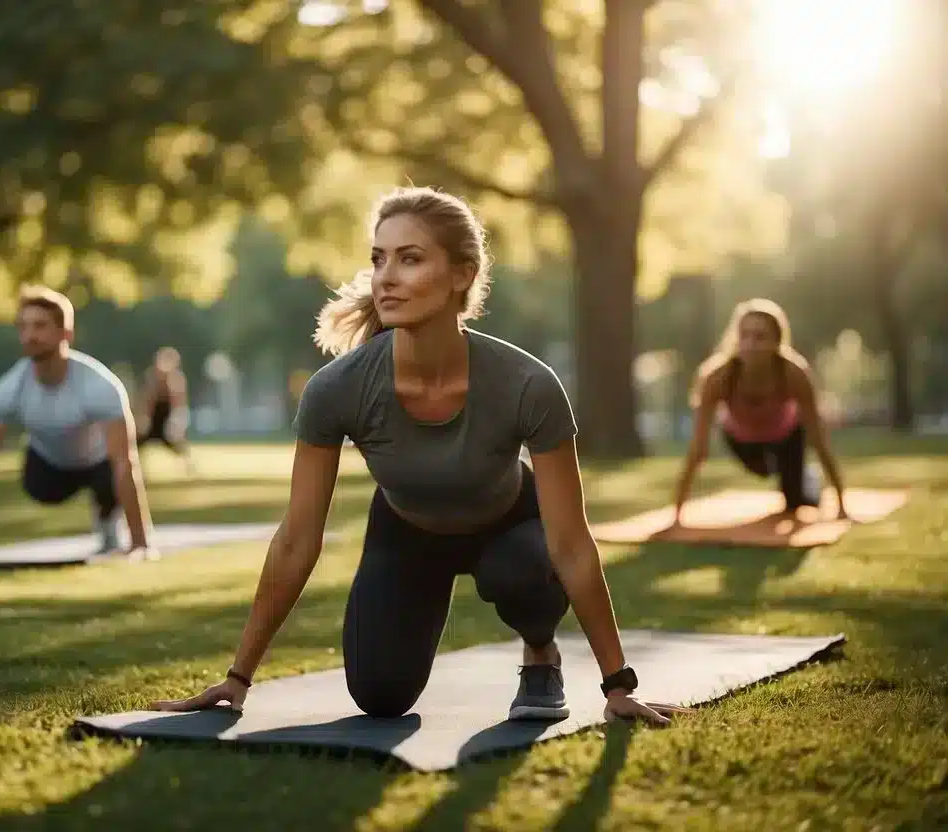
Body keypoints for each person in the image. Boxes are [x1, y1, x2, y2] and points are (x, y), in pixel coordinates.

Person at [152, 187, 692, 726]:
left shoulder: (528, 384)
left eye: (410, 259)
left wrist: (617, 685)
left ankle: (540, 652)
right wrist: (239, 677)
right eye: (378, 258)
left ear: (462, 274)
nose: (386, 276)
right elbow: (296, 539)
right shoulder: (337, 389)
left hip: (508, 523)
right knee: (380, 696)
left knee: (520, 569)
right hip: (405, 530)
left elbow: (571, 544)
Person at [0, 287, 159, 559]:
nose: (29, 336)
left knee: (113, 474)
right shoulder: (9, 389)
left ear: (66, 334)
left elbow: (125, 462)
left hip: (98, 464)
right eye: (23, 327)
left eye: (40, 326)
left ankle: (108, 522)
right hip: (47, 470)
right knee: (40, 488)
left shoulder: (100, 386)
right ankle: (101, 511)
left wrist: (141, 544)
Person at [672, 297, 849, 524]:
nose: (750, 343)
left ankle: (806, 480)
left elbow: (819, 440)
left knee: (795, 503)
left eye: (760, 337)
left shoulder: (794, 373)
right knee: (764, 470)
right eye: (744, 336)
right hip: (742, 440)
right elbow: (698, 449)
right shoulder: (716, 377)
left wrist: (842, 506)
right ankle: (792, 473)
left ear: (777, 342)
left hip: (787, 437)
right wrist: (676, 515)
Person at [135, 346, 194, 474]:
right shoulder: (152, 379)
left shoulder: (176, 380)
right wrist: (143, 420)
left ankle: (189, 468)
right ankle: (138, 471)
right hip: (154, 421)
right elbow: (147, 402)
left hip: (166, 422)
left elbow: (178, 404)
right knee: (137, 445)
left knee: (178, 446)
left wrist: (176, 425)